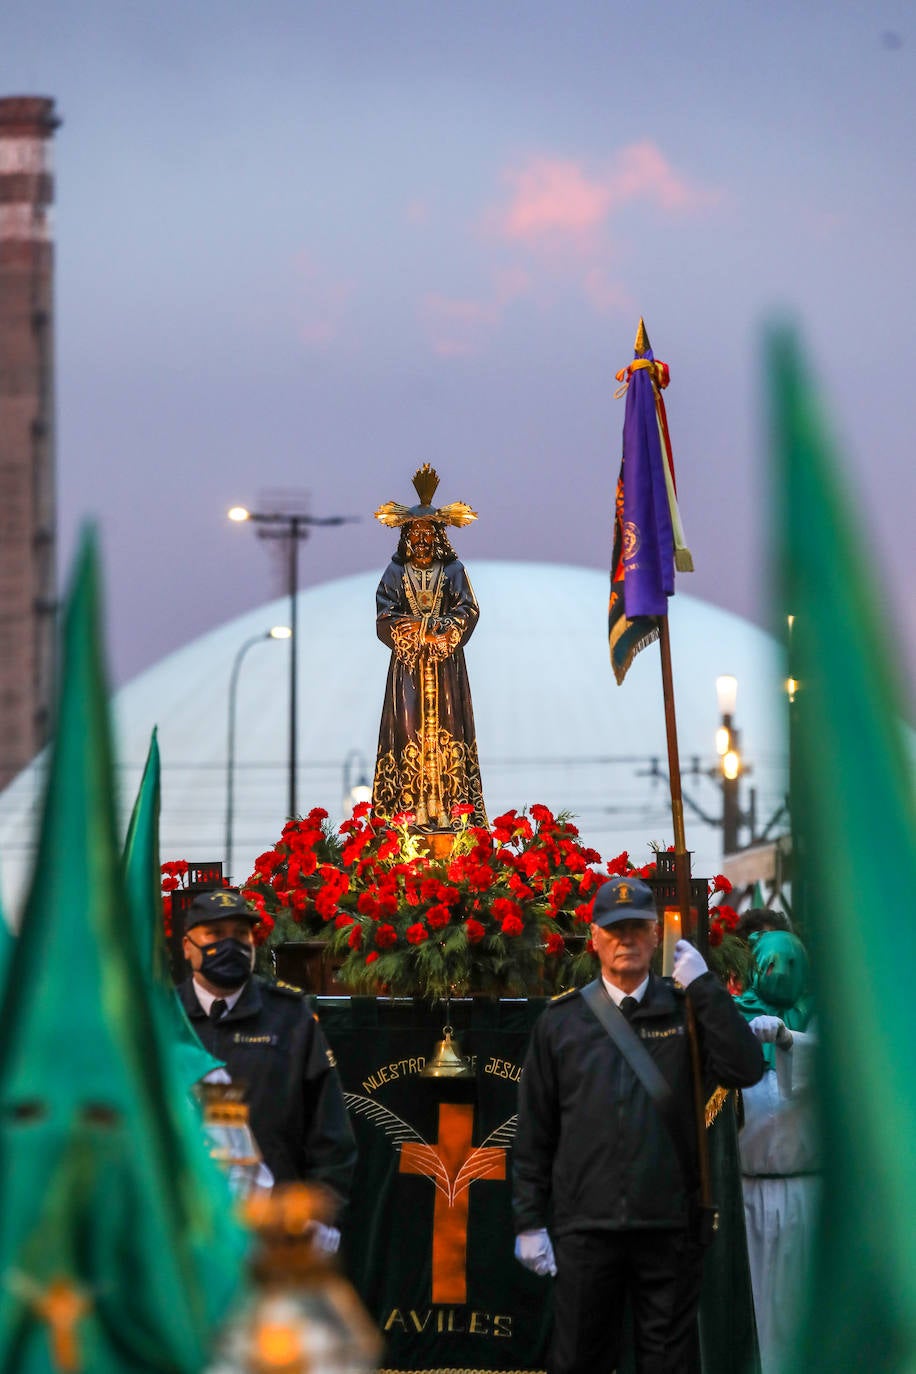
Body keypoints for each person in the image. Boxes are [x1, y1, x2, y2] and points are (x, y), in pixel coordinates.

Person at [512, 875, 765, 1374]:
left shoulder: (686, 1008)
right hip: (586, 1229)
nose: (625, 939)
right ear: (595, 938)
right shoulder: (562, 1022)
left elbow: (745, 1068)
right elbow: (535, 1131)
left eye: (635, 929)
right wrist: (528, 1220)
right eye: (614, 929)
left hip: (667, 1228)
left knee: (668, 1365)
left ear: (655, 936)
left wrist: (705, 988)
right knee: (579, 1361)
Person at [178, 888, 357, 1227]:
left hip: (273, 1228)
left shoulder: (290, 1018)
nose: (230, 945)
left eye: (240, 934)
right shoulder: (163, 1020)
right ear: (187, 946)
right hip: (183, 1233)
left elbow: (330, 1137)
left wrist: (319, 1223)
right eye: (215, 934)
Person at [373, 464, 486, 829]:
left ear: (439, 536)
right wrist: (414, 634)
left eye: (428, 532)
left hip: (445, 667)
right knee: (407, 731)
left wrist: (436, 630)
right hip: (407, 670)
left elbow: (469, 609)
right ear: (406, 536)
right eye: (416, 532)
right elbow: (385, 616)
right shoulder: (395, 573)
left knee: (450, 732)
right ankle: (407, 815)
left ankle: (452, 813)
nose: (421, 539)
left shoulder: (453, 572)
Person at [736, 930, 818, 1374]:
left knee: (798, 1308)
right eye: (769, 965)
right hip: (746, 1195)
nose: (779, 974)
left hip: (805, 1196)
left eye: (789, 965)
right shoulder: (734, 1017)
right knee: (751, 1309)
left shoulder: (824, 1018)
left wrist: (789, 1040)